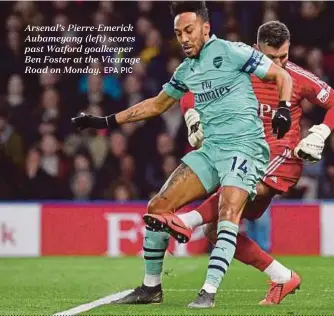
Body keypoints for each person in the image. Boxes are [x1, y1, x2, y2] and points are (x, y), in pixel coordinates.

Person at [71, 2, 293, 308]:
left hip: (245, 147)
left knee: (229, 213)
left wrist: (283, 109)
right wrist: (105, 122)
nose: (184, 38)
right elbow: (156, 104)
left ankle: (209, 292)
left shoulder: (232, 51)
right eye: (178, 34)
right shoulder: (187, 69)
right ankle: (151, 288)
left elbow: (283, 77)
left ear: (205, 28)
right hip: (212, 149)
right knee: (157, 207)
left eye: (189, 30)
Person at [155, 20, 334, 305]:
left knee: (238, 188)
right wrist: (192, 116)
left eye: (284, 56)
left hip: (281, 157)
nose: (280, 64)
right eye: (272, 58)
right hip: (244, 153)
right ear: (256, 50)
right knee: (214, 230)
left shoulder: (296, 76)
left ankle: (187, 220)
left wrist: (321, 132)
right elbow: (190, 90)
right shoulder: (235, 66)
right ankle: (282, 276)